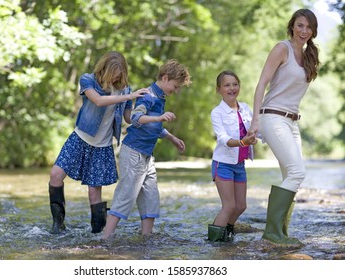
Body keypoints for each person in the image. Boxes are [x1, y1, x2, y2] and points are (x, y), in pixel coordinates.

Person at [48, 51, 149, 234]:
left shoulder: (126, 89)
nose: (115, 77)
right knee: (55, 174)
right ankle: (58, 225)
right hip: (80, 139)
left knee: (94, 192)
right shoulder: (88, 80)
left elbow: (128, 118)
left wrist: (145, 113)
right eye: (112, 72)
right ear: (104, 68)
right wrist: (129, 97)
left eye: (118, 73)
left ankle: (98, 234)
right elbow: (98, 100)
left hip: (102, 147)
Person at [248, 9, 319, 245]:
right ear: (292, 26)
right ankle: (272, 233)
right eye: (300, 25)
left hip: (292, 121)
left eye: (308, 27)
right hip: (272, 117)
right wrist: (255, 119)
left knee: (291, 176)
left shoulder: (309, 56)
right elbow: (261, 84)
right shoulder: (282, 49)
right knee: (298, 172)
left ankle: (281, 233)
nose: (304, 31)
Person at [102, 59, 192, 239]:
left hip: (147, 156)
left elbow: (153, 127)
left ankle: (146, 238)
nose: (176, 90)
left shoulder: (160, 97)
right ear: (165, 78)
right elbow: (136, 118)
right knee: (126, 194)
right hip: (133, 151)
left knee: (151, 197)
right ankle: (105, 238)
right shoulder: (149, 95)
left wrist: (172, 137)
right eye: (175, 86)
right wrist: (159, 119)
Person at [208, 70, 257, 242]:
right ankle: (214, 242)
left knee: (241, 206)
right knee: (229, 206)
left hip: (239, 164)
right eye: (227, 85)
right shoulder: (217, 113)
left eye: (235, 84)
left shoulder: (245, 109)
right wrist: (243, 142)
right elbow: (222, 139)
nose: (232, 88)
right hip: (223, 164)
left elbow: (254, 131)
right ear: (219, 89)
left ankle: (226, 233)